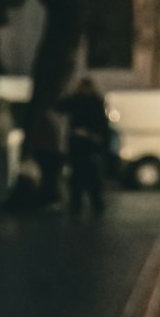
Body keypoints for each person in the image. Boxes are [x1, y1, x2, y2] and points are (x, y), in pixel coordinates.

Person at [59, 77, 109, 215]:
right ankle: (94, 203)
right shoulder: (95, 101)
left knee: (78, 175)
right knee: (90, 174)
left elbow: (61, 106)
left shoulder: (78, 100)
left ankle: (78, 203)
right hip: (90, 143)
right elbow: (102, 124)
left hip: (80, 142)